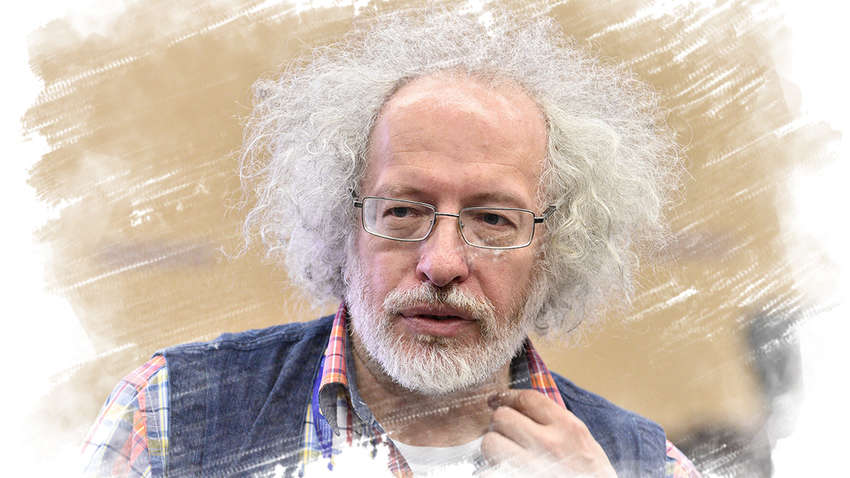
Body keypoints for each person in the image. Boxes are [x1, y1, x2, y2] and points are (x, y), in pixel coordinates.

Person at [82, 8, 699, 478]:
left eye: (493, 220)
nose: (442, 263)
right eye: (402, 211)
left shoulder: (646, 465)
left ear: (554, 248)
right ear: (341, 225)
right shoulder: (168, 416)